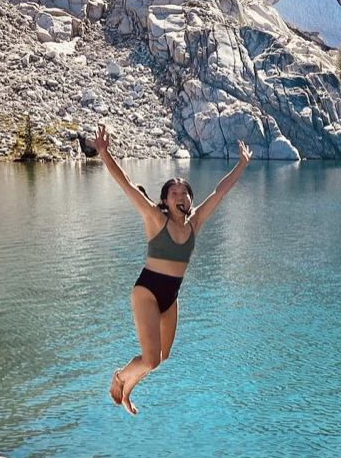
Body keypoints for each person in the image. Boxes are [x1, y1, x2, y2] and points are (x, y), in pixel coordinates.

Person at [94, 124, 252, 414]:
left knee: (161, 357)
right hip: (148, 291)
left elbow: (220, 191)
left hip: (171, 296)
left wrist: (241, 164)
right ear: (165, 200)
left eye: (184, 193)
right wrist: (104, 153)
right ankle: (119, 377)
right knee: (150, 359)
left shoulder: (195, 222)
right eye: (173, 193)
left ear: (190, 199)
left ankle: (127, 390)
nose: (180, 196)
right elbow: (126, 184)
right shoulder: (156, 219)